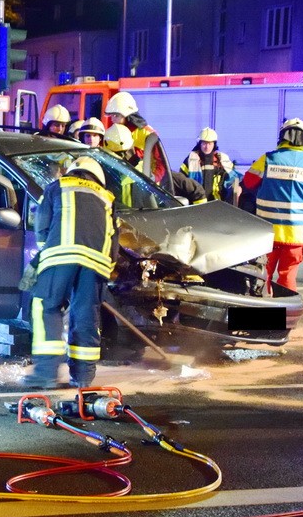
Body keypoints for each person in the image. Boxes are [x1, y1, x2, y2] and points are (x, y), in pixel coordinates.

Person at [25, 155, 118, 389]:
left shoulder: (58, 186)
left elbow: (42, 224)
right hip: (96, 263)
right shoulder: (107, 198)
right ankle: (83, 376)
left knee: (46, 306)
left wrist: (42, 256)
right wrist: (107, 271)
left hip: (60, 255)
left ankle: (46, 372)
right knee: (86, 315)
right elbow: (114, 239)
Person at [243, 118, 303, 292]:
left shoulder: (268, 158)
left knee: (263, 278)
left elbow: (248, 182)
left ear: (283, 136)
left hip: (268, 234)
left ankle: (264, 317)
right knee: (288, 278)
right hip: (296, 235)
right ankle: (286, 317)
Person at [105, 124, 206, 205]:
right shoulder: (102, 173)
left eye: (125, 152)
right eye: (117, 154)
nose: (122, 157)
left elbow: (196, 191)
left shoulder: (149, 174)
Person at [104, 91, 172, 193]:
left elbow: (161, 163)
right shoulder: (113, 133)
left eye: (116, 116)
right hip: (119, 186)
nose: (113, 120)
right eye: (111, 116)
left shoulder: (147, 134)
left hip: (144, 188)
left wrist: (152, 179)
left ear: (127, 115)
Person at [180, 127, 237, 204]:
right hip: (196, 203)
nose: (207, 147)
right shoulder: (190, 160)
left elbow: (233, 179)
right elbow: (182, 181)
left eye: (210, 143)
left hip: (217, 204)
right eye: (204, 143)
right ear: (200, 144)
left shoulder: (222, 160)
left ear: (214, 144)